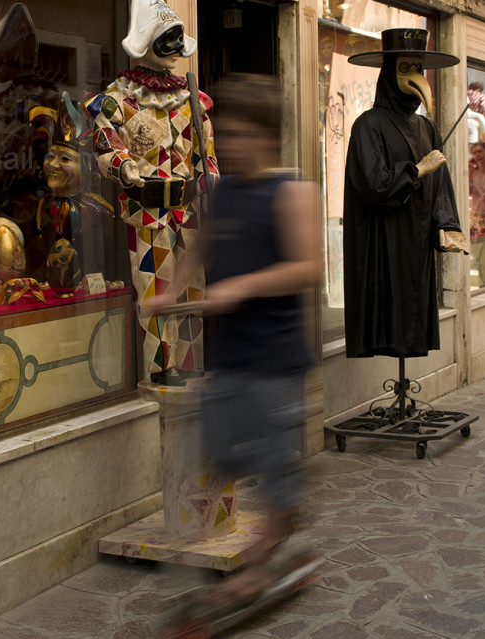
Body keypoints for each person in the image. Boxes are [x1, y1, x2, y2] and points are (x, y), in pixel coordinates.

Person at [150, 71, 321, 600]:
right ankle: (288, 504)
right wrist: (172, 288)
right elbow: (201, 247)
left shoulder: (292, 192)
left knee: (268, 460)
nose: (233, 145)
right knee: (221, 449)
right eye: (226, 135)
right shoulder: (219, 192)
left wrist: (243, 286)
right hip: (227, 357)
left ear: (268, 136)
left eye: (244, 134)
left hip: (274, 357)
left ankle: (261, 559)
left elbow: (309, 267)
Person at [86, 0, 218, 386]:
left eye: (179, 39)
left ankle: (193, 360)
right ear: (147, 42)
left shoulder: (190, 98)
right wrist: (123, 167)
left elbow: (205, 146)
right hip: (149, 211)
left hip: (190, 208)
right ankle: (162, 368)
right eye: (169, 40)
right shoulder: (118, 99)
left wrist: (210, 173)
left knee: (195, 287)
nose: (177, 48)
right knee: (156, 289)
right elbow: (106, 143)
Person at [344, 28, 468, 359]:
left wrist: (447, 226)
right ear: (389, 73)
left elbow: (442, 183)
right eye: (404, 69)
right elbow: (373, 183)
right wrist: (417, 169)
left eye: (418, 68)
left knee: (414, 311)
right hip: (384, 241)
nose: (414, 77)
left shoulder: (427, 128)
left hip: (418, 243)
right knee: (388, 310)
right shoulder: (367, 125)